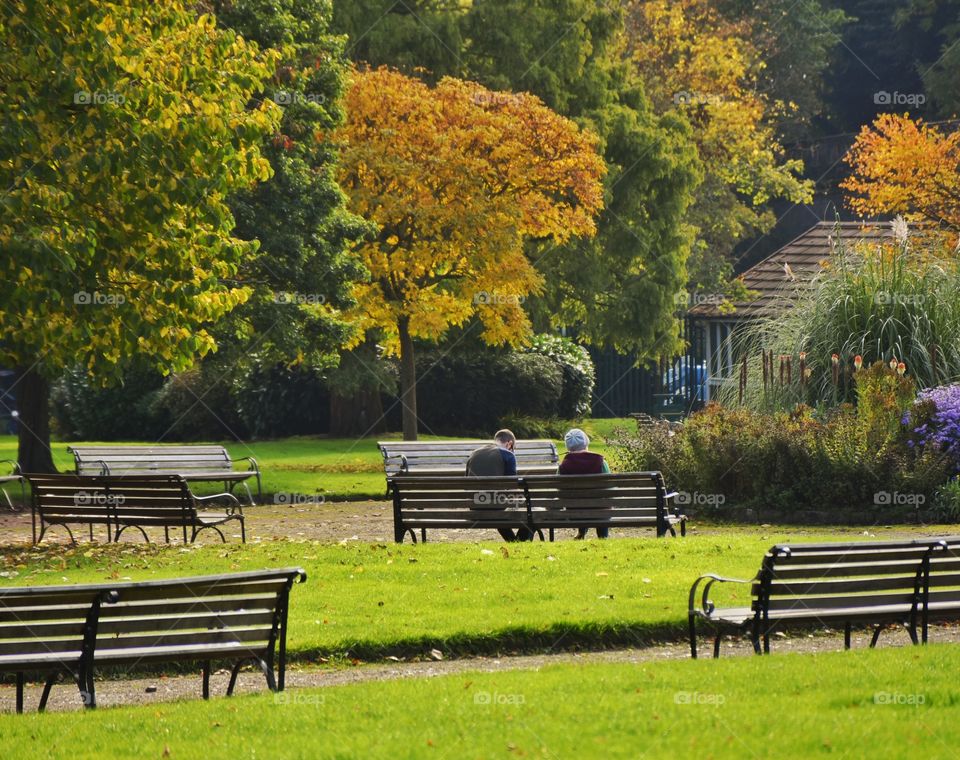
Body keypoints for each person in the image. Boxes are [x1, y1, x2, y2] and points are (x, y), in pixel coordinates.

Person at [466, 429, 532, 542]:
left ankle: (514, 542)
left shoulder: (473, 454)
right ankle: (519, 542)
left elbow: (467, 484)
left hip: (475, 506)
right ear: (509, 443)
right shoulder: (508, 455)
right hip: (496, 506)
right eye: (513, 448)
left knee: (496, 504)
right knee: (531, 513)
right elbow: (512, 487)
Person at [558, 428, 610, 539]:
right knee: (603, 505)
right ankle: (603, 537)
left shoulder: (563, 466)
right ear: (586, 442)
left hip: (574, 513)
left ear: (568, 446)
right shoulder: (600, 462)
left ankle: (581, 532)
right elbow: (610, 488)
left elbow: (560, 491)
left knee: (581, 502)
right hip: (600, 514)